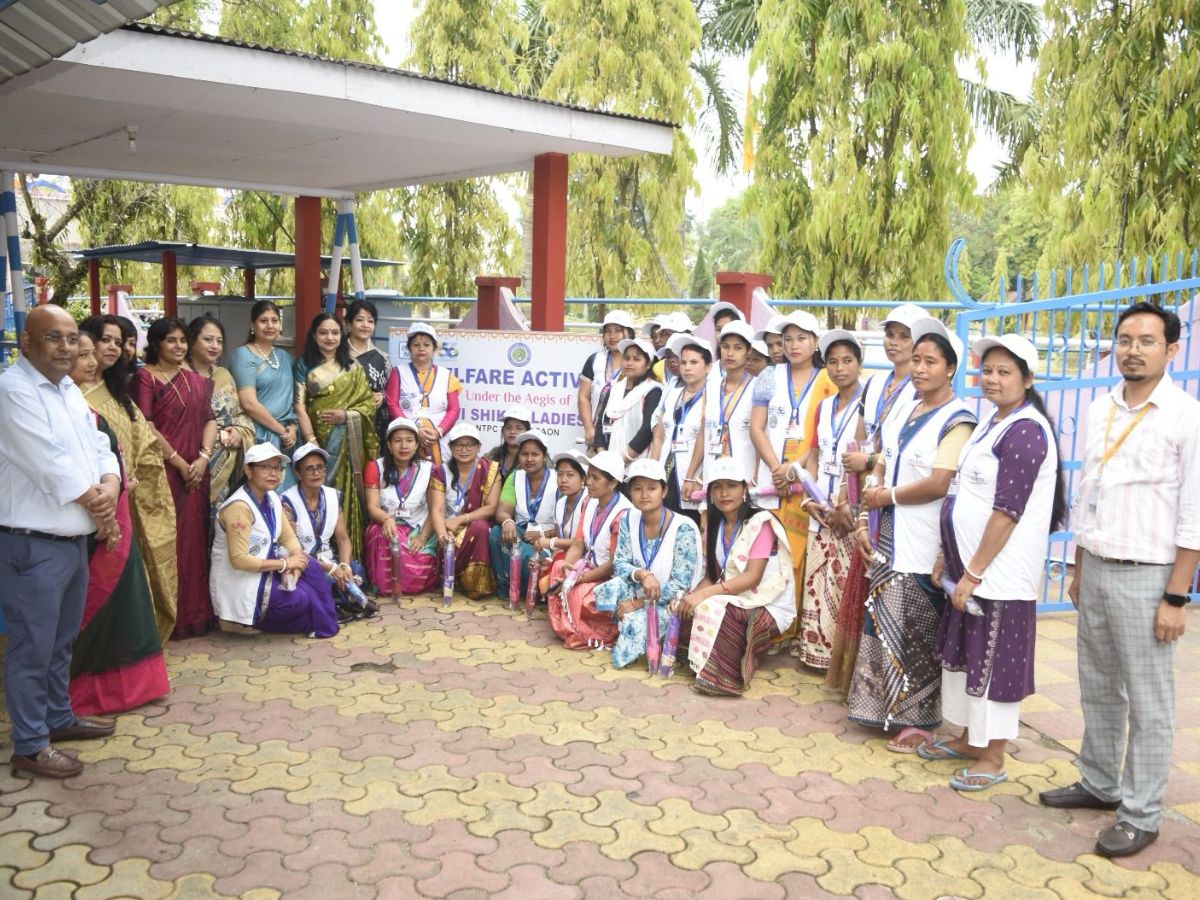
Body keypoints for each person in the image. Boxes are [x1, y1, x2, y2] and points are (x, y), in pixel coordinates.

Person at [1039, 302, 1200, 858]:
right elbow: (1090, 492)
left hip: (1149, 576)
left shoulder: (1186, 416)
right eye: (1125, 339)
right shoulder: (1098, 408)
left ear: (1172, 350)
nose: (1133, 349)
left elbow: (1194, 513)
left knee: (1149, 701)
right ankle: (1100, 783)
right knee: (1099, 686)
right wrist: (1080, 567)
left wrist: (1176, 596)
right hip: (1099, 566)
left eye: (1147, 341)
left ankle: (1142, 813)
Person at [919, 334, 1066, 792]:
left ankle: (995, 755)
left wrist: (975, 572)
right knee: (967, 656)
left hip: (998, 577)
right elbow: (968, 494)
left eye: (1005, 372)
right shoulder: (992, 423)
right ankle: (967, 739)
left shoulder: (1026, 430)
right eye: (988, 370)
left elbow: (1007, 511)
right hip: (970, 568)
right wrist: (950, 554)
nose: (993, 379)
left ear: (1027, 378)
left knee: (995, 661)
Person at [0, 305, 121, 779]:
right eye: (54, 338)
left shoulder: (69, 390)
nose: (66, 348)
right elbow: (50, 464)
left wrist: (110, 484)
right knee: (33, 644)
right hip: (33, 543)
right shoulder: (13, 391)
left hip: (72, 542)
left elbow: (98, 446)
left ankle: (57, 718)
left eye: (72, 339)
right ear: (27, 342)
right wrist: (101, 503)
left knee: (60, 641)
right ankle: (29, 745)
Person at [850, 318, 977, 752]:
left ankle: (921, 719)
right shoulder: (909, 409)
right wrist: (874, 491)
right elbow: (883, 456)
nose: (920, 369)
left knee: (918, 628)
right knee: (886, 624)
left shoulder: (957, 419)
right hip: (889, 534)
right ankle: (883, 706)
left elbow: (941, 482)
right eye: (917, 360)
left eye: (931, 362)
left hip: (926, 538)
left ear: (950, 368)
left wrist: (887, 496)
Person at [66, 334, 170, 716]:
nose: (92, 361)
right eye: (84, 355)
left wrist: (120, 482)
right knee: (93, 606)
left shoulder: (99, 399)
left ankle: (127, 687)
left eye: (95, 353)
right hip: (90, 517)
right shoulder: (59, 402)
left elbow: (106, 450)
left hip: (116, 510)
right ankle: (85, 691)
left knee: (124, 603)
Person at [838, 303, 923, 692]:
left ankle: (881, 685)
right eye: (891, 334)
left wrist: (868, 460)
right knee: (859, 583)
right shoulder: (875, 383)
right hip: (862, 491)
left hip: (890, 494)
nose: (895, 343)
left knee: (881, 586)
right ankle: (856, 680)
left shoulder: (921, 391)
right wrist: (845, 487)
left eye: (904, 336)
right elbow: (858, 435)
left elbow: (904, 451)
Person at [79, 316, 178, 645]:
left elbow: (145, 442)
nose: (112, 347)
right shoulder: (72, 395)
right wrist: (116, 483)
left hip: (130, 502)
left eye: (118, 342)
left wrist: (136, 478)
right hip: (91, 508)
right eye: (105, 339)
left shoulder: (116, 392)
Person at [749, 310, 837, 656]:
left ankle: (798, 630)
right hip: (772, 483)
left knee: (801, 557)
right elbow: (757, 428)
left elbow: (823, 435)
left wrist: (793, 470)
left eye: (802, 338)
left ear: (815, 342)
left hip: (807, 483)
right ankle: (773, 628)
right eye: (787, 339)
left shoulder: (828, 379)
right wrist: (776, 468)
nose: (794, 345)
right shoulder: (770, 376)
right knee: (772, 556)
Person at [675, 457, 795, 695]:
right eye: (717, 487)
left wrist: (706, 595)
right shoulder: (715, 525)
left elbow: (752, 578)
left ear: (744, 489)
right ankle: (701, 660)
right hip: (733, 595)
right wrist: (690, 597)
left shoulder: (760, 522)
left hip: (768, 603)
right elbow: (714, 575)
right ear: (709, 493)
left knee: (717, 609)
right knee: (683, 606)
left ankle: (723, 677)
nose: (724, 493)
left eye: (731, 485)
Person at [132, 317, 217, 639]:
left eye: (182, 340)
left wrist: (203, 458)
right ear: (156, 344)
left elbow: (210, 419)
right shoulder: (145, 378)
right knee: (167, 542)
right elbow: (147, 425)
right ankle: (167, 616)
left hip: (197, 471)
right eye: (171, 340)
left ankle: (195, 615)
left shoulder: (194, 380)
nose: (179, 346)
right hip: (164, 472)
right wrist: (181, 463)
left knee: (195, 543)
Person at [210, 443, 339, 637]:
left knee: (310, 566)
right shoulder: (239, 507)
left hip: (265, 571)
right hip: (243, 581)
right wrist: (284, 563)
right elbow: (239, 560)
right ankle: (234, 620)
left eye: (277, 467)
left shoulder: (271, 498)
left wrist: (296, 563)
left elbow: (288, 537)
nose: (273, 473)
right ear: (248, 470)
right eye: (265, 467)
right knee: (299, 600)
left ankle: (318, 621)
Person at [594, 459, 702, 669]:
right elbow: (620, 563)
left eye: (652, 488)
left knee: (634, 624)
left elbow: (681, 584)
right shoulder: (628, 519)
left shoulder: (683, 528)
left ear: (664, 491)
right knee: (608, 589)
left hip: (672, 599)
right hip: (641, 588)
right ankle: (623, 627)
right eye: (637, 489)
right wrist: (643, 574)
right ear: (630, 493)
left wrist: (638, 603)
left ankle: (647, 635)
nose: (644, 495)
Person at [799, 331, 864, 679]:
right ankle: (815, 652)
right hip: (821, 506)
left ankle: (842, 660)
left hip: (850, 508)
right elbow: (815, 454)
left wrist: (846, 504)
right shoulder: (824, 406)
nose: (839, 368)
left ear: (859, 362)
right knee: (818, 580)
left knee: (845, 584)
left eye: (847, 361)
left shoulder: (869, 404)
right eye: (833, 362)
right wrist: (809, 497)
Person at [293, 313, 378, 560]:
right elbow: (300, 405)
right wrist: (311, 442)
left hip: (347, 446)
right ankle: (314, 558)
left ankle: (348, 561)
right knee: (313, 493)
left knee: (343, 496)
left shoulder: (353, 366)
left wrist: (347, 415)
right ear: (314, 335)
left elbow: (367, 406)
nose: (329, 337)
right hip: (314, 440)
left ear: (342, 335)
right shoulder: (303, 364)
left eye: (334, 332)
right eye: (323, 332)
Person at [546, 451, 631, 649]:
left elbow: (613, 564)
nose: (588, 483)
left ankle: (591, 633)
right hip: (588, 567)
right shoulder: (589, 502)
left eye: (595, 478)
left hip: (610, 577)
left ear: (612, 483)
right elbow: (578, 543)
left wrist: (578, 578)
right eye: (589, 476)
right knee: (558, 567)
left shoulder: (623, 515)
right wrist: (569, 567)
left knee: (580, 593)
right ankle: (566, 628)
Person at [281, 443, 377, 620]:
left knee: (355, 570)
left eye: (320, 467)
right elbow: (291, 548)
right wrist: (330, 569)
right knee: (323, 579)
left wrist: (344, 565)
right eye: (309, 469)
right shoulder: (287, 501)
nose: (316, 473)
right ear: (297, 473)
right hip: (303, 562)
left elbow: (342, 538)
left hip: (328, 559)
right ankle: (339, 604)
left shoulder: (332, 495)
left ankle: (340, 603)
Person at [363, 418, 439, 596]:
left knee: (417, 563)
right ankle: (386, 587)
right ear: (389, 445)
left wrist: (422, 537)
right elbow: (372, 507)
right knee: (379, 533)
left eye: (409, 440)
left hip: (419, 527)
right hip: (387, 524)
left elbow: (435, 508)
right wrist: (386, 519)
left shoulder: (430, 469)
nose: (403, 446)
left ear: (416, 445)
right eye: (397, 440)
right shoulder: (375, 467)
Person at [186, 314, 255, 510]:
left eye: (219, 341)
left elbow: (240, 414)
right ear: (191, 341)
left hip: (226, 462)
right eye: (208, 339)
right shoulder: (180, 376)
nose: (214, 346)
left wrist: (238, 432)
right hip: (190, 460)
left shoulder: (223, 375)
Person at [429, 423, 502, 599]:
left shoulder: (490, 469)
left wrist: (461, 520)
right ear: (451, 447)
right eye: (459, 445)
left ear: (478, 447)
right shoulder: (441, 471)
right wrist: (441, 536)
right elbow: (436, 509)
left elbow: (491, 508)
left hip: (474, 527)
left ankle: (475, 583)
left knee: (481, 527)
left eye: (470, 444)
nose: (464, 449)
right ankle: (451, 575)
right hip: (446, 529)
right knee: (446, 545)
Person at [230, 300, 298, 489]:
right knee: (262, 492)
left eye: (274, 320)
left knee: (287, 498)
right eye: (263, 321)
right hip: (258, 436)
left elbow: (291, 399)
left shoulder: (285, 357)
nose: (270, 326)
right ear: (252, 325)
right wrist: (281, 430)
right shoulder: (243, 355)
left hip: (287, 439)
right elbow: (249, 403)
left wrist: (292, 427)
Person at [489, 430, 558, 599]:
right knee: (497, 533)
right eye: (524, 454)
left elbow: (567, 524)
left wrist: (543, 535)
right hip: (522, 532)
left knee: (528, 555)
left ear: (544, 456)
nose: (529, 459)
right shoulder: (515, 477)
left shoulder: (558, 479)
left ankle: (533, 591)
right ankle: (507, 586)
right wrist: (507, 522)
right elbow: (502, 511)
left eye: (535, 454)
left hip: (549, 539)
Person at [650, 334, 711, 523]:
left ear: (708, 366)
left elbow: (704, 437)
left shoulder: (712, 398)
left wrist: (693, 477)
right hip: (665, 472)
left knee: (688, 524)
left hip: (691, 475)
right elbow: (659, 435)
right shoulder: (672, 394)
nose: (687, 367)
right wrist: (652, 470)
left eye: (694, 362)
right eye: (683, 362)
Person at [384, 322, 461, 465]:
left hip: (439, 439)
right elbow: (392, 404)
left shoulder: (446, 375)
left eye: (426, 345)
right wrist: (413, 430)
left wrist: (439, 431)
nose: (421, 349)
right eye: (416, 345)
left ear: (434, 348)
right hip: (408, 438)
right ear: (409, 348)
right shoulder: (398, 373)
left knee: (439, 479)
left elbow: (454, 409)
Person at [695, 320, 758, 486]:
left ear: (749, 351)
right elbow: (703, 432)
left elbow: (762, 437)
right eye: (725, 346)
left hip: (744, 476)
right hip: (713, 476)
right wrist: (691, 476)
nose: (730, 353)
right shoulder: (711, 386)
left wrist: (757, 477)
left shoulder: (757, 388)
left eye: (737, 348)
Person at [532, 449, 590, 594]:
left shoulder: (589, 502)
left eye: (570, 475)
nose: (563, 480)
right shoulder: (560, 503)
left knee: (557, 568)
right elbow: (561, 543)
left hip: (586, 557)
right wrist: (550, 559)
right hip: (565, 555)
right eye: (560, 474)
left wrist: (550, 542)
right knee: (537, 566)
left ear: (583, 478)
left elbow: (581, 543)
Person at [579, 310, 635, 452]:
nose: (612, 336)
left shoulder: (637, 363)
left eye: (617, 331)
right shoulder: (595, 360)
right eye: (608, 331)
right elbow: (583, 396)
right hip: (597, 437)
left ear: (629, 333)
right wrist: (588, 428)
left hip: (627, 438)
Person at [603, 338, 663, 464]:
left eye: (636, 359)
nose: (630, 363)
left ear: (648, 364)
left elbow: (647, 430)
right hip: (608, 464)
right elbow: (600, 423)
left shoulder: (653, 391)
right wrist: (603, 457)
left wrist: (623, 459)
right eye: (626, 358)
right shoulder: (615, 388)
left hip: (637, 465)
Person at [345, 299, 392, 450]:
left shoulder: (383, 358)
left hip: (375, 425)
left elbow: (390, 391)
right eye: (359, 320)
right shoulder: (337, 355)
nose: (365, 325)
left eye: (370, 321)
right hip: (345, 424)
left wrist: (382, 396)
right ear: (348, 323)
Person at [485, 404, 532, 484]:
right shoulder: (492, 455)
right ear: (503, 431)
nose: (512, 431)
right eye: (508, 427)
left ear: (527, 432)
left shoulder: (533, 458)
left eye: (519, 428)